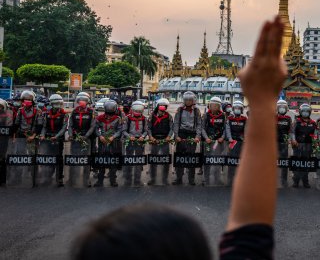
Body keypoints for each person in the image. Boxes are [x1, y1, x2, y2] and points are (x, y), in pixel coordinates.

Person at [72, 16, 285, 260]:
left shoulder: (195, 112)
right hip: (157, 139)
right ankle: (141, 177)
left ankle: (186, 176)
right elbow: (252, 230)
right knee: (153, 161)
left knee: (192, 160)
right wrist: (261, 105)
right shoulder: (170, 113)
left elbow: (250, 234)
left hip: (189, 138)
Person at [67, 92, 96, 187]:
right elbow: (70, 125)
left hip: (86, 139)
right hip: (75, 138)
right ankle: (72, 178)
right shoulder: (74, 111)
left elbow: (92, 126)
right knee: (74, 158)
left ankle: (86, 179)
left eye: (84, 100)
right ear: (77, 101)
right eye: (80, 100)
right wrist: (70, 135)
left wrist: (86, 136)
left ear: (88, 102)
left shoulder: (92, 112)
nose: (82, 102)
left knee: (86, 160)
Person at [173, 91, 202, 186]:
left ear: (193, 100)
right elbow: (176, 123)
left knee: (191, 157)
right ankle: (178, 178)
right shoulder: (180, 109)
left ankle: (191, 179)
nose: (188, 101)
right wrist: (176, 136)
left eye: (190, 100)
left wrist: (197, 136)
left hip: (192, 134)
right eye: (186, 100)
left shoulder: (197, 110)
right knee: (180, 157)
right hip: (181, 134)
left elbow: (199, 124)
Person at [39, 94, 68, 187]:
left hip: (58, 139)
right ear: (51, 104)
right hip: (47, 139)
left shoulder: (64, 114)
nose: (58, 105)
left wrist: (56, 136)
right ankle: (48, 176)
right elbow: (44, 127)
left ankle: (59, 178)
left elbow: (64, 128)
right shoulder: (46, 114)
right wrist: (42, 135)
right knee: (48, 158)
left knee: (59, 158)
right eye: (56, 103)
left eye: (60, 103)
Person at [94, 100, 123, 187]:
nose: (109, 116)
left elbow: (119, 130)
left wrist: (113, 137)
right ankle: (100, 181)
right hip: (102, 142)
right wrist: (100, 136)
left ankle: (113, 180)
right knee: (101, 161)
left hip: (113, 142)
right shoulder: (99, 118)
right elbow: (95, 129)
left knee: (113, 161)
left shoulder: (118, 119)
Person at [147, 98, 173, 186]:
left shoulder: (169, 116)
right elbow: (148, 128)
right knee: (153, 160)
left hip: (165, 140)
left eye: (164, 108)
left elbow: (171, 128)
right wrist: (150, 137)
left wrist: (169, 136)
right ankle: (152, 178)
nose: (162, 110)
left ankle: (164, 179)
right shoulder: (152, 116)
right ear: (157, 107)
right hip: (154, 140)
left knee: (165, 160)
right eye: (160, 108)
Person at [290, 103, 317, 188]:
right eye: (304, 111)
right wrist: (293, 140)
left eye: (307, 111)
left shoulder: (313, 123)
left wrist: (315, 141)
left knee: (306, 163)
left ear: (310, 112)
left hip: (308, 146)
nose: (305, 113)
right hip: (298, 146)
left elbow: (316, 133)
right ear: (301, 112)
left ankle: (305, 181)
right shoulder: (296, 122)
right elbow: (292, 132)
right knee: (297, 162)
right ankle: (296, 181)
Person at [202, 96, 226, 186]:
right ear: (210, 105)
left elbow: (225, 129)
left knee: (217, 161)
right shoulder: (206, 115)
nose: (214, 107)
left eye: (216, 105)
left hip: (218, 142)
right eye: (212, 105)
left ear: (219, 106)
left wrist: (222, 137)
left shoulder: (222, 116)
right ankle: (206, 178)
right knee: (207, 160)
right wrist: (206, 138)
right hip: (208, 142)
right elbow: (202, 128)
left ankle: (217, 178)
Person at [122, 100, 147, 187]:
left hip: (140, 142)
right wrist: (129, 136)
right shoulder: (127, 118)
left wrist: (143, 137)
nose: (137, 112)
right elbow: (124, 130)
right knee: (129, 160)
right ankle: (128, 179)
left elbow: (146, 130)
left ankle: (137, 179)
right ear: (132, 109)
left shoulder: (144, 119)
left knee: (138, 161)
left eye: (139, 111)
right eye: (136, 111)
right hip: (130, 141)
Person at [225, 100, 248, 185]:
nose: (237, 109)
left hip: (241, 143)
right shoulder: (229, 118)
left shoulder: (244, 119)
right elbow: (227, 129)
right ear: (233, 109)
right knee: (231, 161)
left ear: (241, 109)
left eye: (239, 108)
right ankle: (230, 180)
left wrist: (245, 139)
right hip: (232, 142)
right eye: (236, 108)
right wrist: (230, 139)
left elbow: (246, 129)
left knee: (240, 162)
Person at [276, 99, 291, 188]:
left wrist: (289, 139)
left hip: (284, 143)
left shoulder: (288, 119)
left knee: (284, 162)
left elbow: (290, 130)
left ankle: (284, 180)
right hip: (274, 143)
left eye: (283, 107)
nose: (282, 109)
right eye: (280, 107)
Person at [0, 99, 13, 186]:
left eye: (0, 106)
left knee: (2, 159)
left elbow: (9, 125)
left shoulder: (8, 114)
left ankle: (2, 180)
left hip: (3, 140)